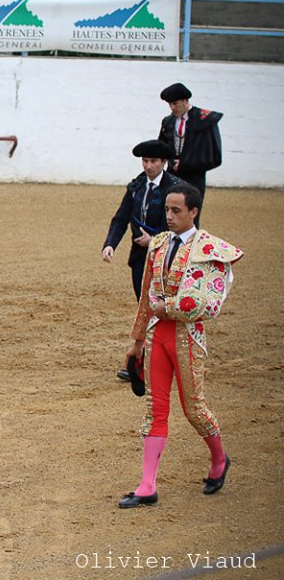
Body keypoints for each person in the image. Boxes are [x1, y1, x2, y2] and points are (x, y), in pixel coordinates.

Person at [118, 185, 242, 509]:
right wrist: (137, 341)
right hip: (159, 336)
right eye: (167, 210)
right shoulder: (158, 244)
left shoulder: (210, 249)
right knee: (155, 409)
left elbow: (209, 303)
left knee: (195, 409)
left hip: (188, 337)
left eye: (176, 211)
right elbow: (147, 295)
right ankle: (147, 485)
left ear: (193, 212)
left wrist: (168, 308)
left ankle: (219, 459)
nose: (169, 217)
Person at [102, 140, 183, 382]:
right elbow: (121, 218)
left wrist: (156, 239)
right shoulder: (137, 186)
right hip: (140, 259)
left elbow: (187, 229)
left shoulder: (178, 190)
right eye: (145, 161)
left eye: (153, 162)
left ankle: (155, 361)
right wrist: (109, 244)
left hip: (168, 259)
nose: (148, 166)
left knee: (164, 309)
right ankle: (146, 360)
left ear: (163, 163)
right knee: (144, 306)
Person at [157, 83, 223, 226]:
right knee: (167, 217)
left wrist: (186, 163)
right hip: (171, 176)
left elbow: (215, 157)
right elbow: (161, 147)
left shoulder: (205, 121)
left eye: (175, 103)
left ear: (186, 101)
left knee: (190, 219)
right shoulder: (168, 122)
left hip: (194, 178)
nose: (172, 108)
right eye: (170, 104)